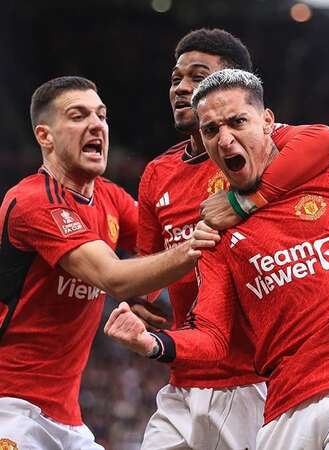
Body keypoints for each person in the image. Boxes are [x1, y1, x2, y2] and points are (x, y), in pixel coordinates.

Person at [106, 69, 329, 448]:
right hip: (284, 407)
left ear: (268, 122)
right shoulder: (214, 234)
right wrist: (153, 343)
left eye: (237, 122)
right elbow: (212, 337)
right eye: (211, 130)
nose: (225, 139)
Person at [136, 28, 329, 450]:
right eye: (176, 78)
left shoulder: (260, 147)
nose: (181, 88)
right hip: (183, 378)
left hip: (252, 382)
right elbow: (149, 267)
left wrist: (246, 201)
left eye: (197, 76)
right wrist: (142, 305)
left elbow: (328, 140)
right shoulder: (157, 173)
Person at [0, 76, 217, 449]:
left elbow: (161, 240)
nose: (96, 125)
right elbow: (113, 276)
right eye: (78, 115)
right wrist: (201, 240)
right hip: (10, 407)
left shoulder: (109, 199)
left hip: (66, 419)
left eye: (101, 115)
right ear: (45, 136)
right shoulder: (34, 202)